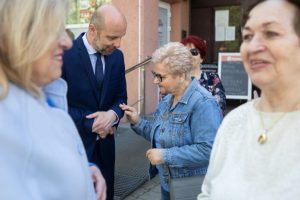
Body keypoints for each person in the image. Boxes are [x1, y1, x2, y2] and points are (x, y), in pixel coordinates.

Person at [0, 0, 106, 199]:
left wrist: (83, 169)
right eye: (53, 29)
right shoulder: (6, 125)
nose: (67, 42)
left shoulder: (42, 95)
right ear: (16, 32)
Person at [198, 0, 300, 199]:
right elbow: (207, 193)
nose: (252, 47)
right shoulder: (234, 122)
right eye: (247, 36)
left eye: (270, 33)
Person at [120, 42, 222, 200]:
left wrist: (166, 156)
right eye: (154, 75)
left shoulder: (203, 103)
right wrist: (137, 121)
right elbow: (161, 135)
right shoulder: (167, 100)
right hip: (168, 185)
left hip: (191, 189)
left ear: (181, 75)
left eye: (160, 76)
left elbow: (209, 150)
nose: (155, 81)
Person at [62, 3, 127, 199]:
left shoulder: (117, 57)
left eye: (121, 37)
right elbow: (56, 107)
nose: (119, 44)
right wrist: (93, 122)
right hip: (74, 149)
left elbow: (121, 98)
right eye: (112, 37)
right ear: (92, 30)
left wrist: (113, 115)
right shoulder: (64, 55)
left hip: (106, 149)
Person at [181, 35, 226, 115]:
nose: (189, 56)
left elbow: (220, 108)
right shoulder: (174, 79)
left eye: (194, 52)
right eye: (185, 52)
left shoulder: (212, 78)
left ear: (201, 58)